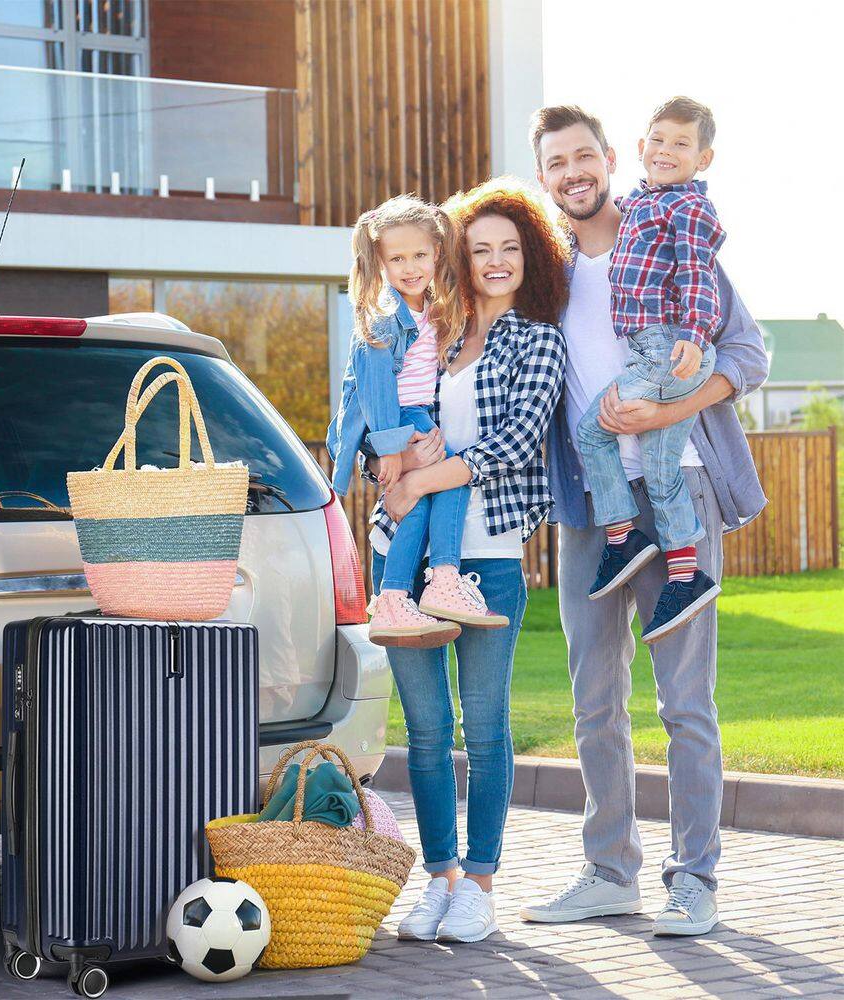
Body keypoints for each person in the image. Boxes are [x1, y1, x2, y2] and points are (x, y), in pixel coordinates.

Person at [522, 105, 768, 936]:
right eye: (556, 163)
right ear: (546, 177)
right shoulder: (546, 276)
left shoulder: (662, 235)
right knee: (595, 702)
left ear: (608, 159)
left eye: (583, 155)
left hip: (682, 493)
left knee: (684, 705)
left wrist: (676, 409)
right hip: (593, 508)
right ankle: (608, 872)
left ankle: (693, 879)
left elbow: (749, 352)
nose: (573, 172)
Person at [364, 180, 568, 942]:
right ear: (458, 255)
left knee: (483, 727)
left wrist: (421, 478)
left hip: (488, 557)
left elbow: (515, 445)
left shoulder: (538, 338)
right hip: (404, 555)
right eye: (479, 247)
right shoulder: (428, 330)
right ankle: (439, 879)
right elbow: (382, 419)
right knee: (422, 730)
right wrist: (386, 469)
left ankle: (480, 881)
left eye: (508, 247)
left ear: (531, 254)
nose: (493, 260)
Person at [327, 194, 508, 649]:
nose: (410, 267)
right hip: (399, 419)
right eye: (397, 258)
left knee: (421, 502)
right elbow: (373, 388)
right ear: (379, 262)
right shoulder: (385, 317)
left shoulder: (426, 309)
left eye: (420, 255)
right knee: (452, 478)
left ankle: (392, 598)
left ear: (437, 254)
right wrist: (389, 445)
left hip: (412, 418)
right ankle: (443, 576)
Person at [577, 97, 726, 644]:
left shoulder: (688, 208)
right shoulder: (639, 201)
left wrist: (694, 331)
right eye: (658, 140)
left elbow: (698, 271)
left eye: (681, 144)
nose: (666, 151)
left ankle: (623, 536)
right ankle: (686, 575)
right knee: (661, 476)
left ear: (702, 158)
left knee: (593, 432)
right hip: (656, 347)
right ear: (639, 147)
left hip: (666, 349)